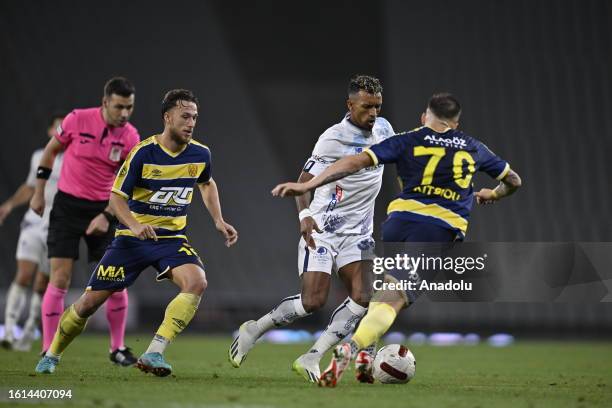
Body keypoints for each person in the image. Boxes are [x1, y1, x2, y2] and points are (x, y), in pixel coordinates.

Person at [272, 93, 522, 386]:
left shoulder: (408, 139)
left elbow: (353, 162)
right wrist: (492, 194)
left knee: (382, 292)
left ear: (424, 117)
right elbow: (514, 181)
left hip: (398, 224)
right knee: (394, 300)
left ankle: (366, 354)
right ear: (456, 122)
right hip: (436, 230)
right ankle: (351, 348)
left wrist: (311, 183)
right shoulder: (474, 147)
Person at [35, 89, 238, 376]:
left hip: (170, 239)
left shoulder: (200, 153)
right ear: (167, 118)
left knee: (197, 282)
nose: (191, 123)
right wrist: (135, 225)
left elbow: (206, 183)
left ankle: (154, 352)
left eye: (194, 117)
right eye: (185, 117)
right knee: (88, 304)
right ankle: (52, 354)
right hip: (131, 240)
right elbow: (116, 198)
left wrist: (218, 219)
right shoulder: (143, 152)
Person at [229, 75, 395, 384]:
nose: (373, 113)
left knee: (364, 296)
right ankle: (254, 329)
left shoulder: (385, 129)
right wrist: (305, 215)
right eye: (366, 107)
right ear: (350, 105)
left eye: (377, 106)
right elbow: (303, 180)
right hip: (323, 229)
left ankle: (316, 356)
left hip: (359, 233)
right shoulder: (332, 138)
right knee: (313, 301)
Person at [30, 77, 140, 365]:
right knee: (60, 278)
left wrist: (106, 215)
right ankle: (48, 349)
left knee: (115, 281)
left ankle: (117, 349)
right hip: (67, 208)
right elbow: (50, 151)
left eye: (129, 107)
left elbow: (128, 185)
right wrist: (39, 194)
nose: (125, 113)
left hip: (104, 208)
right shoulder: (78, 119)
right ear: (105, 103)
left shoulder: (130, 137)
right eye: (119, 107)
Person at [0, 113, 64, 351]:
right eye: (57, 128)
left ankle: (28, 332)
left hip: (57, 224)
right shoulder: (40, 156)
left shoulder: (75, 160)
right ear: (49, 131)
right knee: (24, 274)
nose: (60, 132)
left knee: (43, 282)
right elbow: (30, 187)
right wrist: (9, 204)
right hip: (33, 221)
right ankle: (8, 330)